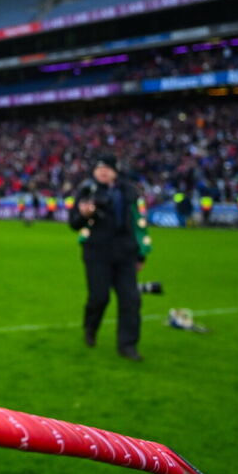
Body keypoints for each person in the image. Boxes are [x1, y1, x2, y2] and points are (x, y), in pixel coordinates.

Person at [69, 155, 151, 362]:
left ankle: (127, 345)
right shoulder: (87, 190)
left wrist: (141, 253)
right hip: (97, 253)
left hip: (125, 253)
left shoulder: (129, 191)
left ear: (115, 170)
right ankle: (91, 327)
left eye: (107, 168)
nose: (102, 172)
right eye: (99, 169)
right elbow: (74, 223)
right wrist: (85, 215)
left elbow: (137, 224)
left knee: (131, 299)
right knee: (99, 297)